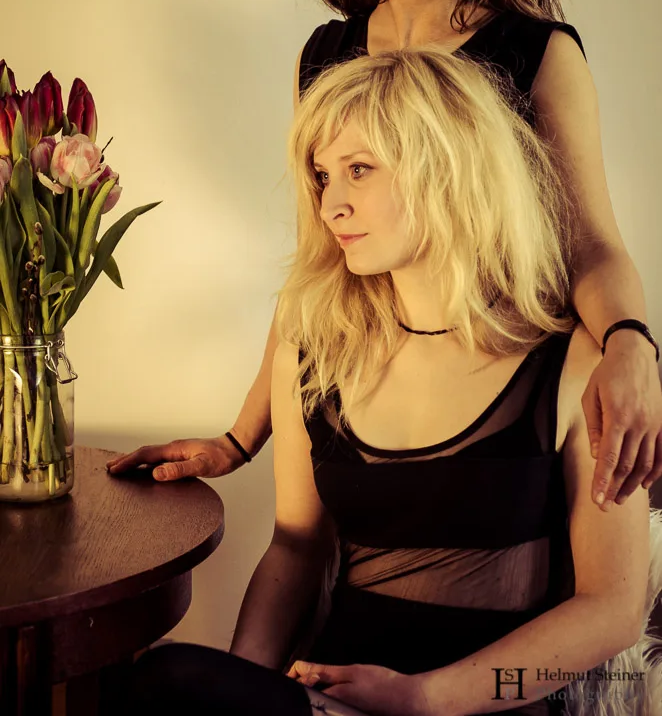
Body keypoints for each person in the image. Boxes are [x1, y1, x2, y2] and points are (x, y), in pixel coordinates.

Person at [107, 0, 662, 512]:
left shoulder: (540, 52)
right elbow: (318, 261)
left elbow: (588, 242)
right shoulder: (327, 55)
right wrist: (240, 438)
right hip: (379, 393)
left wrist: (630, 345)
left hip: (517, 399)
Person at [127, 48, 652, 716]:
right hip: (328, 699)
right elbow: (296, 545)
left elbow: (612, 610)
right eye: (321, 176)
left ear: (448, 167)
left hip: (478, 705)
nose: (330, 204)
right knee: (167, 683)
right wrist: (242, 692)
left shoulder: (570, 362)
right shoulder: (314, 346)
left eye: (359, 170)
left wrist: (424, 697)